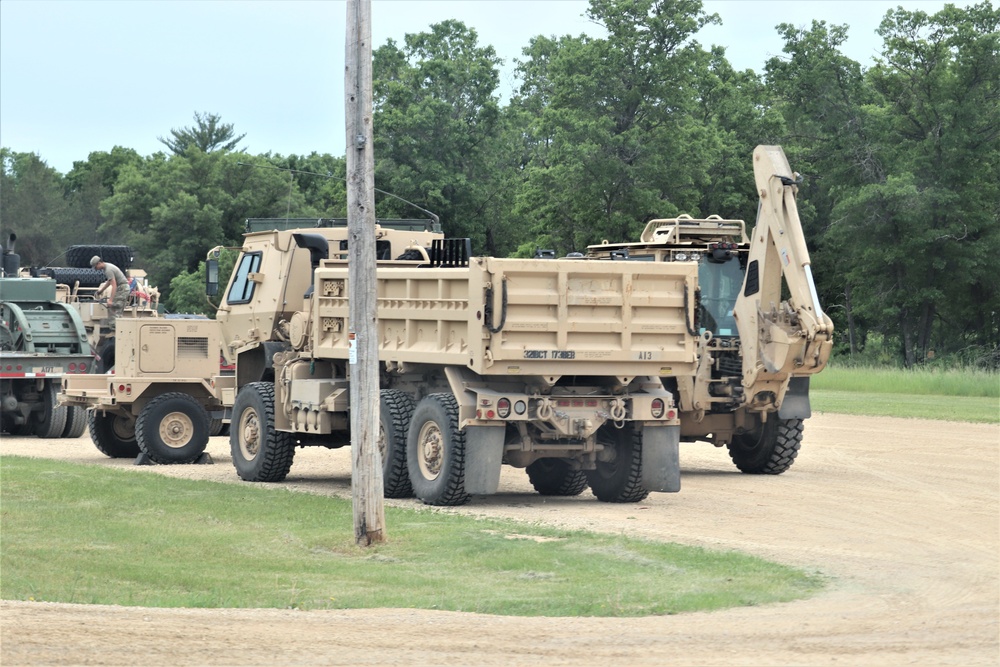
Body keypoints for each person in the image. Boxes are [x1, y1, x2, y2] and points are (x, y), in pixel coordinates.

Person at [91, 256, 130, 330]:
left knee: (112, 307)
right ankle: (118, 327)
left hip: (122, 288)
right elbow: (109, 281)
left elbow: (114, 285)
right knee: (117, 308)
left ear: (99, 263)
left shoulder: (108, 270)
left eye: (96, 267)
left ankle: (114, 328)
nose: (96, 269)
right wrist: (101, 290)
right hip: (123, 288)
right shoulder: (108, 266)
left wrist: (110, 300)